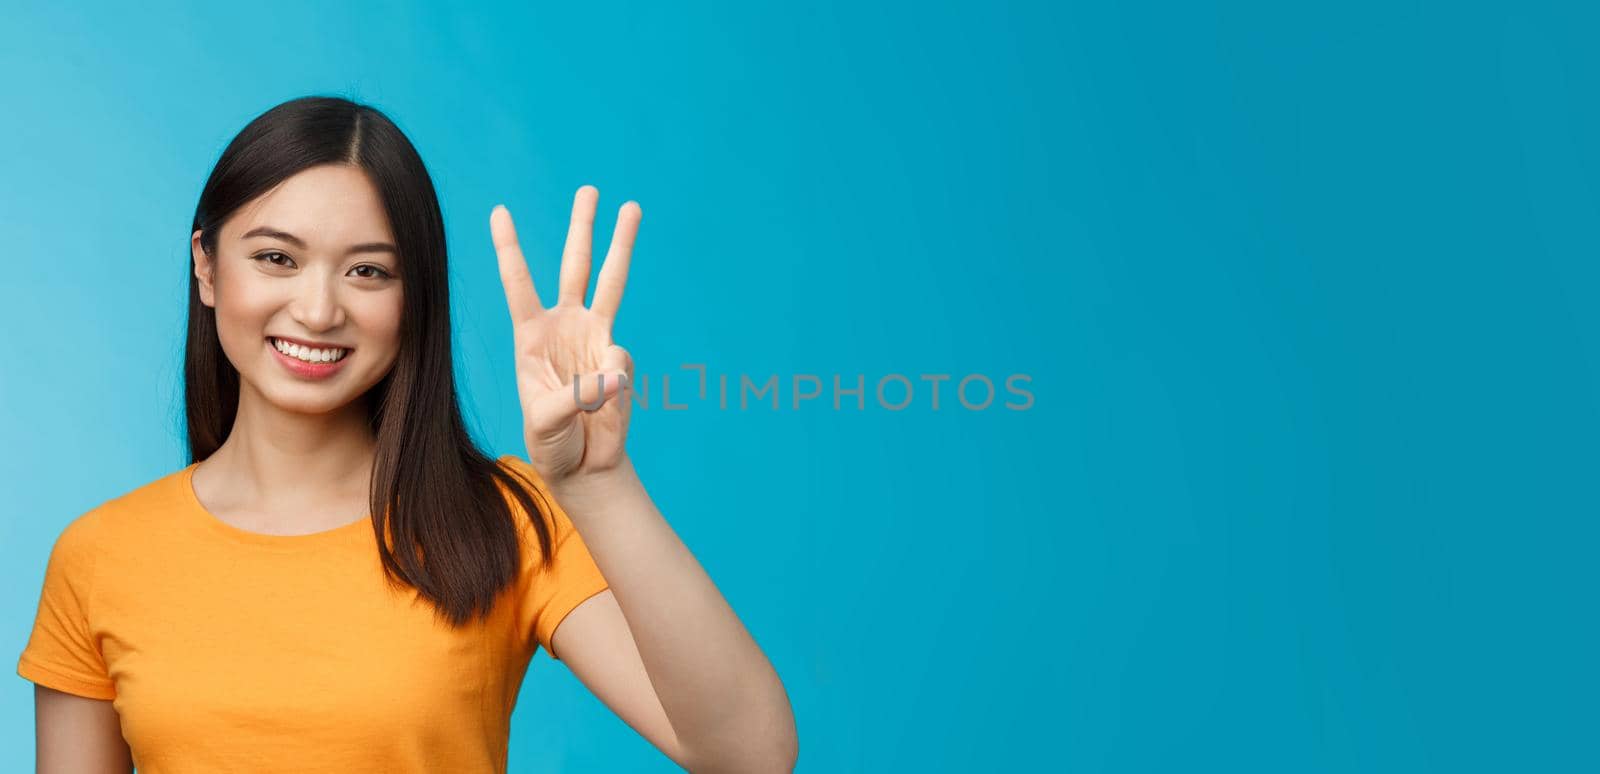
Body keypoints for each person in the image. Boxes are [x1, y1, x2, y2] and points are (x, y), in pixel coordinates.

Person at [15, 96, 798, 773]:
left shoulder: (502, 519)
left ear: (413, 297)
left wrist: (600, 485)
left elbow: (748, 756)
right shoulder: (101, 557)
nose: (319, 310)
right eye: (277, 258)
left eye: (368, 272)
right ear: (209, 268)